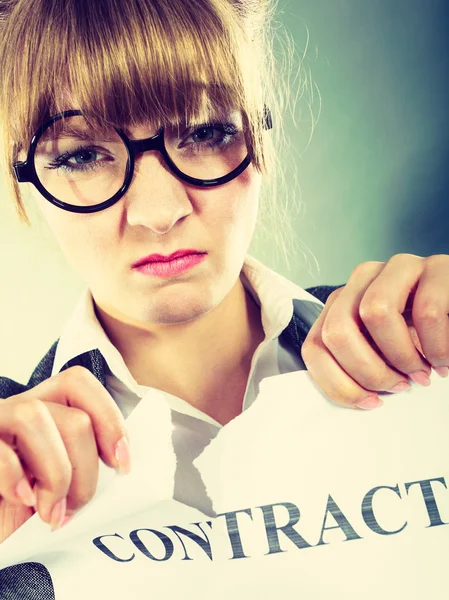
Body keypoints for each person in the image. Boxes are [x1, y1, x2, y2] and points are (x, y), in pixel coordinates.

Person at [0, 0, 448, 551]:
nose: (160, 212)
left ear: (259, 130)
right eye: (83, 156)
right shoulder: (10, 475)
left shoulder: (420, 337)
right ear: (25, 168)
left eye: (206, 132)